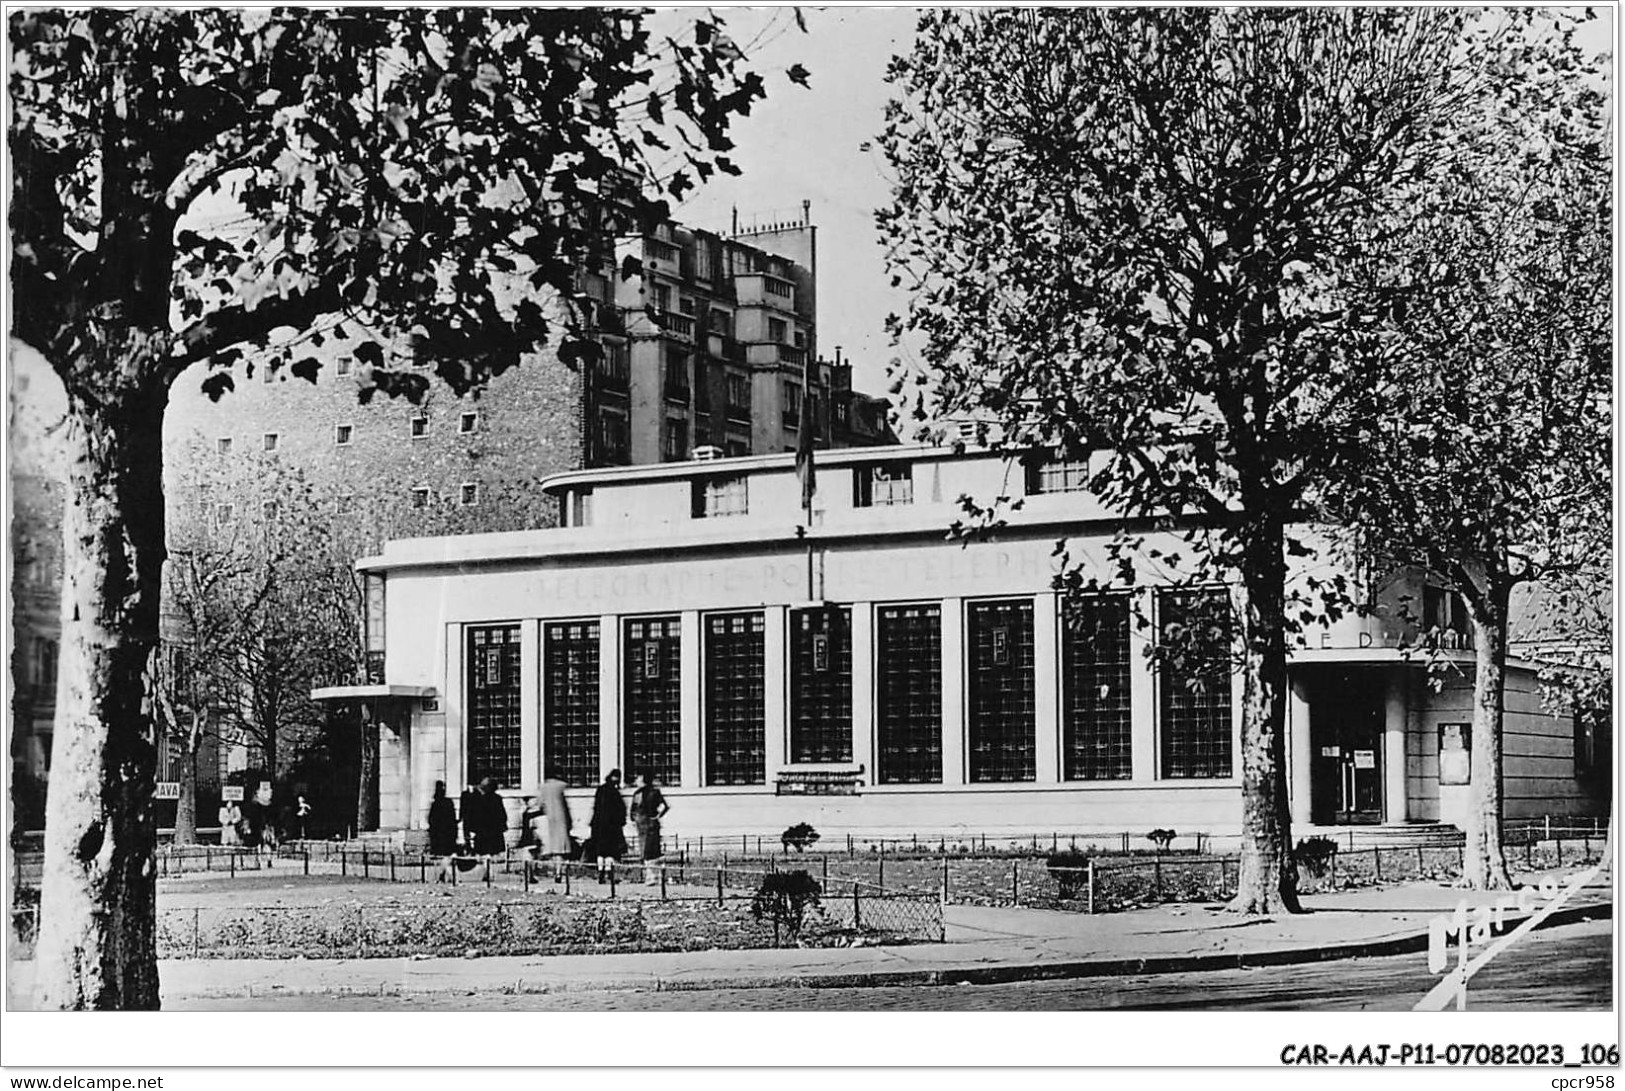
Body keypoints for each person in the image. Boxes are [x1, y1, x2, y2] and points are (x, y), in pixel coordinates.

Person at [588, 769, 627, 884]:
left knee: (600, 851)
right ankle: (609, 873)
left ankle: (601, 873)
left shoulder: (600, 790)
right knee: (610, 851)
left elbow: (596, 807)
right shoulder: (615, 792)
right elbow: (620, 810)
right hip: (611, 827)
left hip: (598, 826)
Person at [630, 772, 669, 884]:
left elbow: (633, 810)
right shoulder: (655, 792)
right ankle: (656, 876)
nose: (636, 781)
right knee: (654, 850)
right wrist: (657, 816)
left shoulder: (638, 794)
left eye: (638, 779)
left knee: (646, 850)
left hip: (643, 825)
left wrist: (635, 819)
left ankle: (650, 877)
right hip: (652, 823)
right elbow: (665, 806)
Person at [538, 769, 573, 882]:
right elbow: (566, 805)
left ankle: (554, 872)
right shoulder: (562, 786)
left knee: (552, 848)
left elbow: (539, 804)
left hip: (547, 819)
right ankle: (559, 872)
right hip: (561, 818)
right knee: (560, 849)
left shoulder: (543, 787)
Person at [427, 781, 458, 879]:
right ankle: (450, 876)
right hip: (448, 833)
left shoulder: (435, 803)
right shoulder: (448, 803)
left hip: (438, 835)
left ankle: (443, 874)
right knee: (447, 855)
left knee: (444, 855)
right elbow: (452, 819)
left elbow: (431, 819)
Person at [470, 776, 507, 858]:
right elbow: (502, 815)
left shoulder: (479, 799)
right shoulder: (497, 798)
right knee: (494, 854)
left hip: (483, 831)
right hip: (494, 831)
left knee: (483, 854)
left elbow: (475, 815)